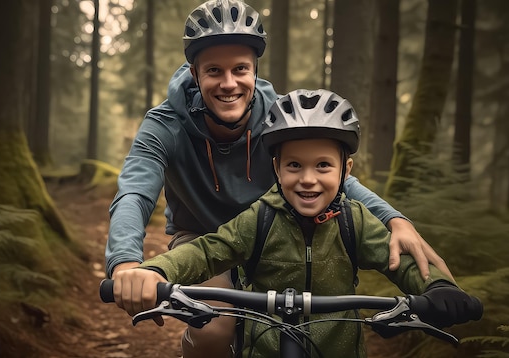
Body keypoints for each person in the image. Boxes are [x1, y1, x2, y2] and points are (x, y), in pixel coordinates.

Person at [106, 0, 453, 357]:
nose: (229, 83)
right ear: (195, 74)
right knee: (214, 328)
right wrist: (128, 265)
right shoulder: (165, 125)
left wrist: (393, 219)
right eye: (214, 71)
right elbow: (135, 192)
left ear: (255, 69)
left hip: (279, 230)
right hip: (202, 240)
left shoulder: (282, 119)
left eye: (240, 68)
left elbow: (330, 178)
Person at [115, 89, 480, 357]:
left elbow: (397, 258)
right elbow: (208, 251)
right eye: (294, 166)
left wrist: (440, 290)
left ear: (345, 170)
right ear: (276, 168)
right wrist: (156, 270)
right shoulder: (259, 218)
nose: (308, 179)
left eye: (323, 166)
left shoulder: (355, 223)